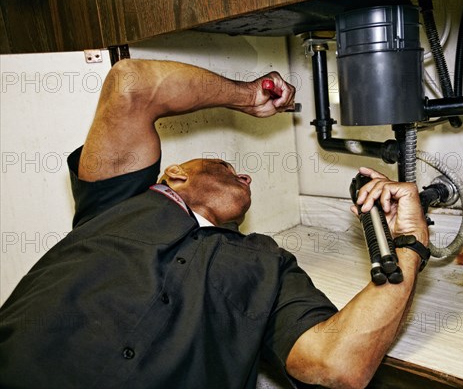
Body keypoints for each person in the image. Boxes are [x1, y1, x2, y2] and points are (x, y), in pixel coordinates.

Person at [0, 59, 429, 388]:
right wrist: (246, 97)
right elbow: (132, 83)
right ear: (177, 174)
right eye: (226, 165)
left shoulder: (269, 263)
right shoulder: (116, 200)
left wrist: (408, 243)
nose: (245, 175)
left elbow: (339, 364)